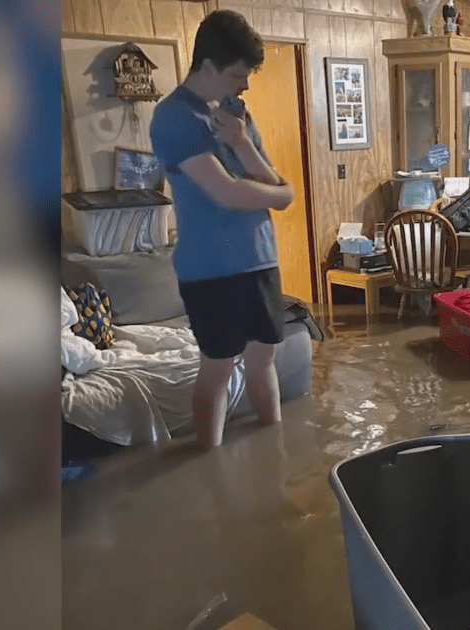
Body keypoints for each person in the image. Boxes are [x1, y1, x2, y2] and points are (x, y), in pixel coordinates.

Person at [149, 10, 294, 451]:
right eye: (237, 74)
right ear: (207, 65)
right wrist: (274, 191)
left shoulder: (236, 115)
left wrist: (242, 142)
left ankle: (275, 455)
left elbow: (282, 193)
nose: (245, 85)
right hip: (211, 269)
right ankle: (206, 464)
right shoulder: (173, 118)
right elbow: (231, 194)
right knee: (218, 367)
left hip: (260, 258)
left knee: (263, 358)